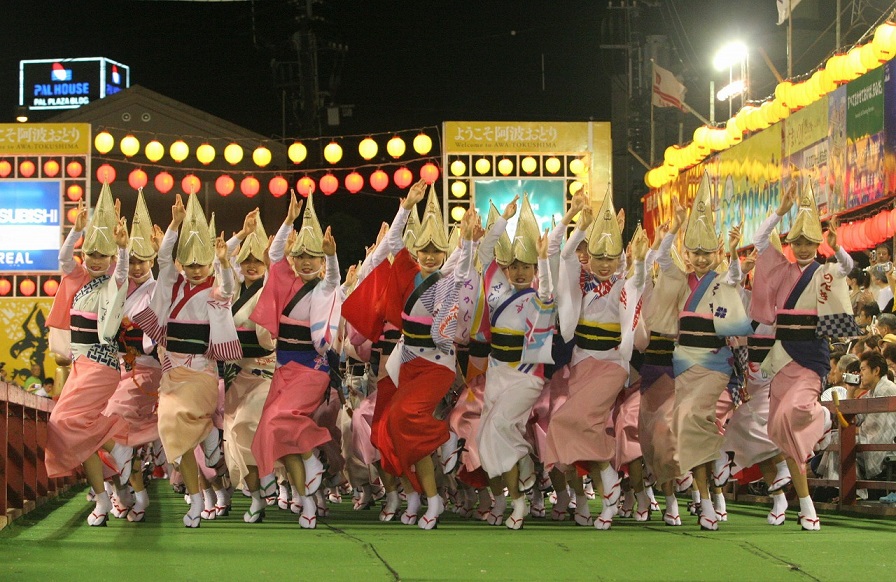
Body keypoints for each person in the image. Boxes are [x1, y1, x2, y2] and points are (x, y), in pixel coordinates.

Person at [751, 179, 859, 531]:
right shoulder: (780, 269)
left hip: (811, 356)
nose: (801, 246)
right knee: (781, 426)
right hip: (782, 355)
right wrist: (780, 212)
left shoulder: (825, 271)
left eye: (808, 242)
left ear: (816, 243)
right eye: (796, 240)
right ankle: (807, 507)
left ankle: (821, 419)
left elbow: (848, 269)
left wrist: (837, 247)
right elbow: (757, 242)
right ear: (790, 242)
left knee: (793, 412)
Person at [133, 193, 242, 528]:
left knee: (179, 420)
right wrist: (175, 225)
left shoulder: (215, 293)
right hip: (173, 374)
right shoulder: (173, 287)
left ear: (209, 263)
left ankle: (208, 438)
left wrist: (224, 263)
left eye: (202, 264)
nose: (195, 270)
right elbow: (164, 259)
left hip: (203, 374)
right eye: (190, 264)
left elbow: (228, 289)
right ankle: (195, 500)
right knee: (174, 437)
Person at [543, 190, 649, 530]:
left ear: (619, 257)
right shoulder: (581, 279)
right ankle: (602, 486)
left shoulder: (625, 283)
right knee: (562, 425)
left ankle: (608, 483)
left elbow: (641, 278)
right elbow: (559, 252)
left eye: (611, 257)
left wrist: (643, 260)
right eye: (598, 256)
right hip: (581, 362)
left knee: (577, 420)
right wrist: (575, 220)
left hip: (612, 366)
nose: (604, 263)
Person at [653, 172, 752, 531]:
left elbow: (736, 279)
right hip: (684, 362)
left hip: (714, 363)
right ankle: (706, 496)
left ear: (716, 253)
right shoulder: (679, 278)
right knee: (686, 425)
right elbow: (661, 257)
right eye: (693, 252)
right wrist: (674, 227)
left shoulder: (723, 277)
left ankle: (711, 485)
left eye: (705, 253)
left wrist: (735, 254)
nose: (698, 258)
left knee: (693, 416)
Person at [249, 192, 342, 529]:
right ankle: (306, 501)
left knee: (278, 420)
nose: (306, 261)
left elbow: (333, 280)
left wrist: (332, 259)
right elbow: (274, 257)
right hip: (285, 370)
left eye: (312, 256)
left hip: (312, 370)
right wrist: (289, 221)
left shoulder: (324, 288)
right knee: (274, 433)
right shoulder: (285, 281)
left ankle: (311, 459)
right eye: (300, 254)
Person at [44, 184, 132, 526]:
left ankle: (116, 447)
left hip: (102, 364)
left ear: (110, 258)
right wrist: (76, 231)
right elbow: (64, 260)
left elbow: (122, 275)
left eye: (103, 255)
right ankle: (101, 500)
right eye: (90, 253)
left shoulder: (112, 282)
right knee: (75, 436)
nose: (95, 260)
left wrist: (123, 251)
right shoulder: (79, 278)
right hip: (81, 365)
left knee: (63, 423)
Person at [475, 194, 556, 530]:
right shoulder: (497, 289)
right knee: (484, 439)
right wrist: (501, 223)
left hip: (526, 376)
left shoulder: (540, 297)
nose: (520, 271)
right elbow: (482, 255)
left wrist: (545, 260)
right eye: (515, 265)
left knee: (498, 430)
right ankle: (506, 491)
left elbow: (549, 294)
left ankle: (519, 503)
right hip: (497, 373)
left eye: (527, 266)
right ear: (506, 266)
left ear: (535, 269)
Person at [102, 190, 164, 523]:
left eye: (144, 259)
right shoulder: (118, 289)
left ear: (154, 258)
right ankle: (128, 495)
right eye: (132, 259)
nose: (137, 266)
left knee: (109, 423)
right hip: (117, 372)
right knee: (106, 434)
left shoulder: (158, 291)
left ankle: (129, 494)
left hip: (148, 373)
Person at [220, 209, 278, 523]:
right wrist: (240, 236)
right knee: (235, 446)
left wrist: (272, 254)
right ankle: (257, 498)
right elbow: (218, 263)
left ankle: (271, 477)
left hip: (267, 374)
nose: (252, 265)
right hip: (237, 377)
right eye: (246, 260)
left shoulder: (271, 291)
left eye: (258, 260)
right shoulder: (231, 293)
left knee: (248, 425)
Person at [856, 352, 896, 483]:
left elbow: (874, 427)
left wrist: (853, 431)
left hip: (888, 443)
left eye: (863, 369)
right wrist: (851, 391)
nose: (860, 374)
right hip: (874, 439)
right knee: (837, 439)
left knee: (840, 440)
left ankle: (852, 492)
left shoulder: (886, 389)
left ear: (876, 370)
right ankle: (846, 490)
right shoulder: (871, 392)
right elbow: (856, 418)